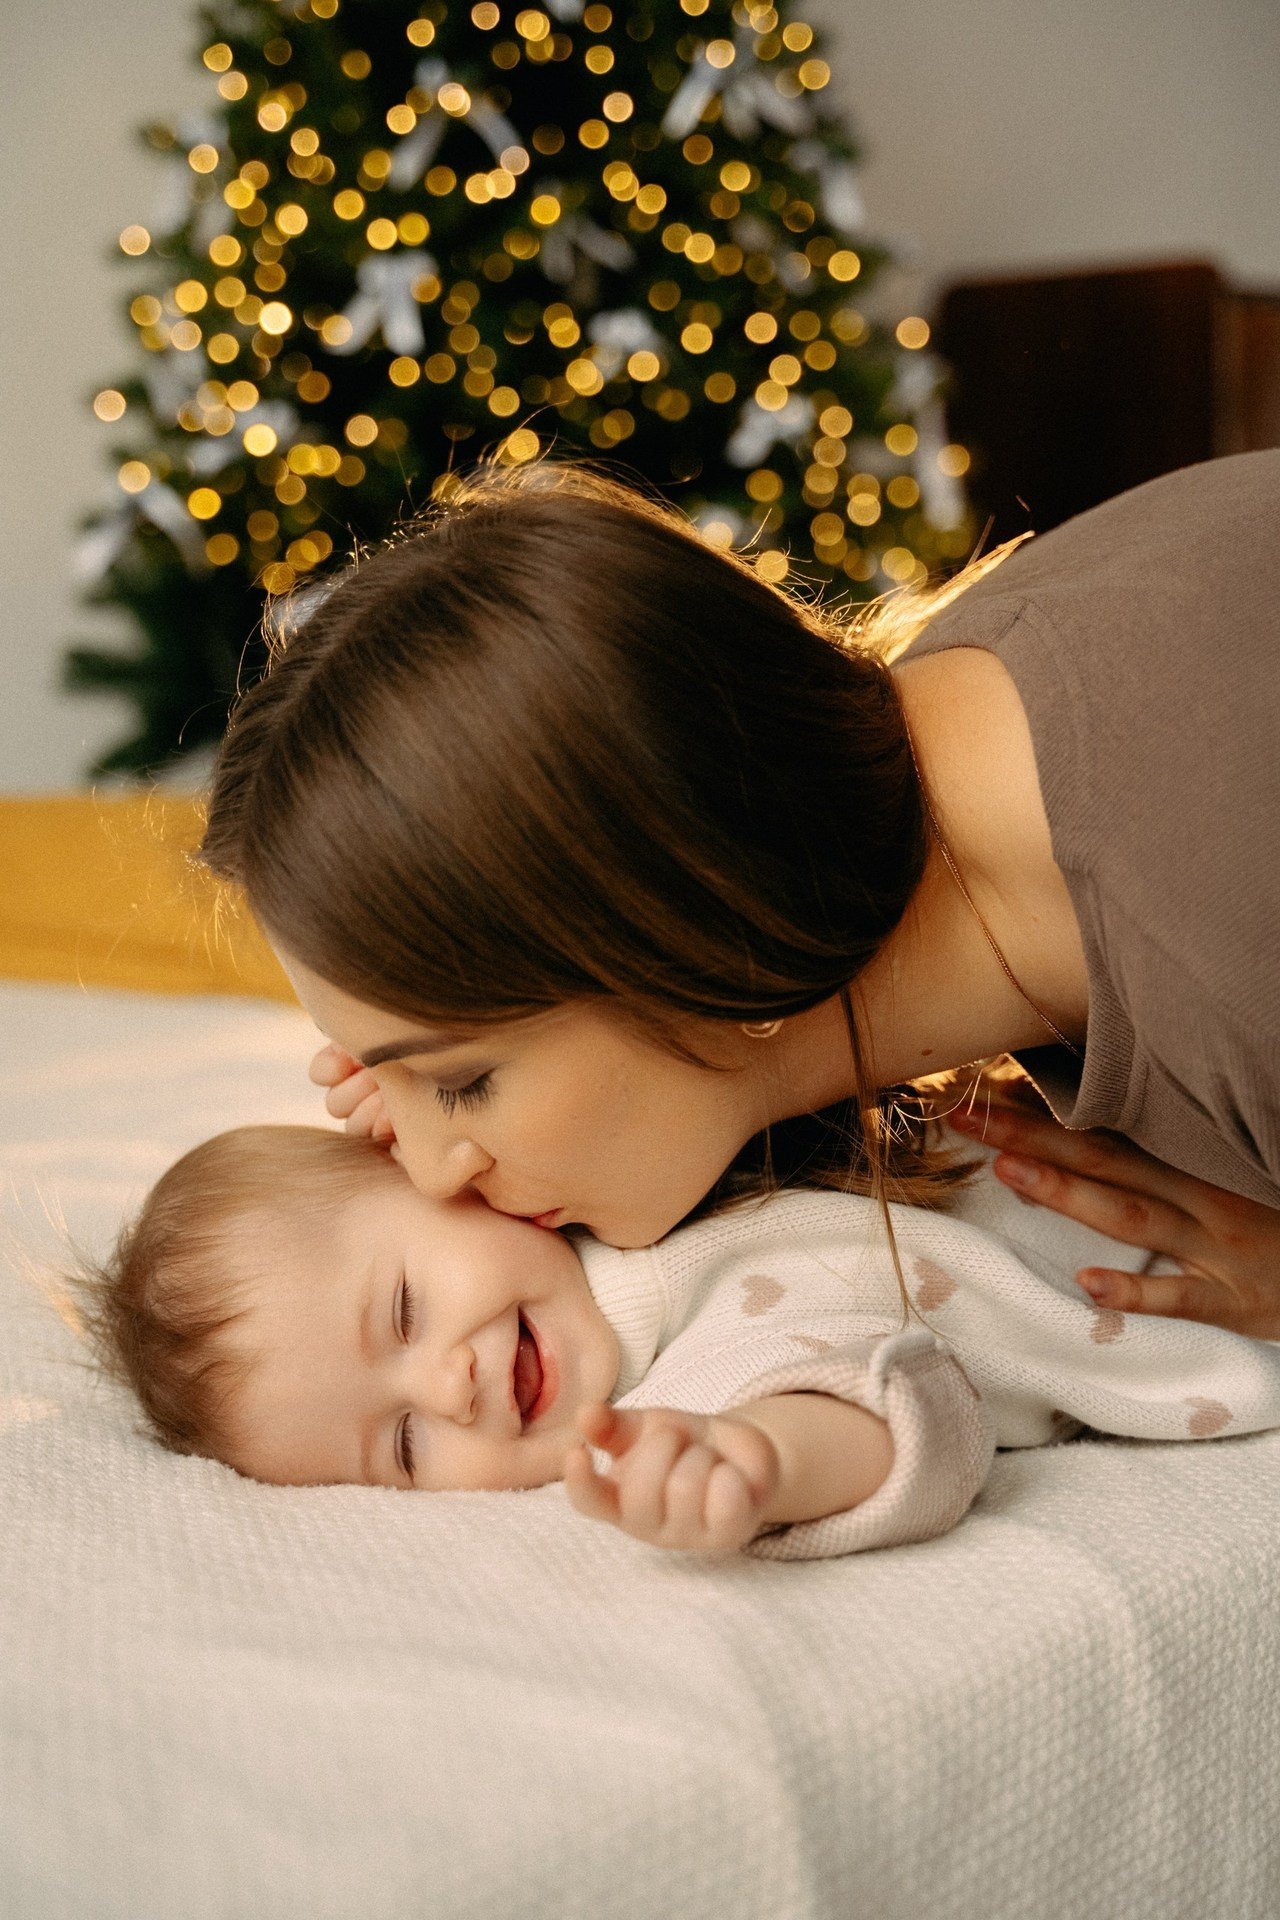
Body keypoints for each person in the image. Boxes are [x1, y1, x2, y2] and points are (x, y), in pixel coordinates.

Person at [200, 453, 1280, 1331]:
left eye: (466, 1080)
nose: (431, 1178)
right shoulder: (962, 728)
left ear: (681, 912)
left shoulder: (1228, 937)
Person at [78, 1123, 1280, 1558]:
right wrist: (752, 1463)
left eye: (400, 1312)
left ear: (425, 1165)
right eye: (398, 1446)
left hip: (1140, 1102)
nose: (446, 1390)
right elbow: (895, 1412)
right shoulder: (670, 1389)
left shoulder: (593, 1162)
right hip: (1219, 1292)